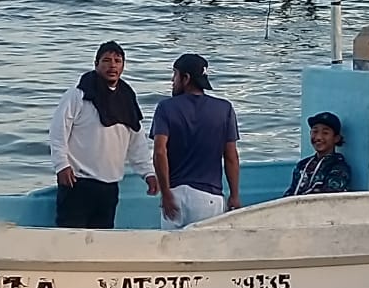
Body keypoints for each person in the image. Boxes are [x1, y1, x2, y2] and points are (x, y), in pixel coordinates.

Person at [49, 41, 157, 229]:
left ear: (123, 66)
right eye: (106, 60)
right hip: (77, 182)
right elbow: (58, 130)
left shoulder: (127, 99)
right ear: (96, 64)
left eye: (117, 60)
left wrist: (148, 173)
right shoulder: (78, 95)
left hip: (109, 186)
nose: (112, 65)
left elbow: (136, 142)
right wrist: (61, 165)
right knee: (70, 238)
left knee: (101, 239)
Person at [150, 53, 241, 229]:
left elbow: (160, 151)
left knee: (171, 252)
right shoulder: (224, 109)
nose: (172, 80)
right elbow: (231, 157)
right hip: (209, 198)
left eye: (175, 75)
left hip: (175, 194)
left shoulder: (166, 107)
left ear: (186, 78)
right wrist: (234, 195)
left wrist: (166, 193)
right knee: (207, 252)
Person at [284, 111, 352, 196]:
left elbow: (325, 198)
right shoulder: (302, 165)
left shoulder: (339, 168)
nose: (318, 137)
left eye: (325, 133)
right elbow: (291, 192)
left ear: (336, 138)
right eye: (315, 132)